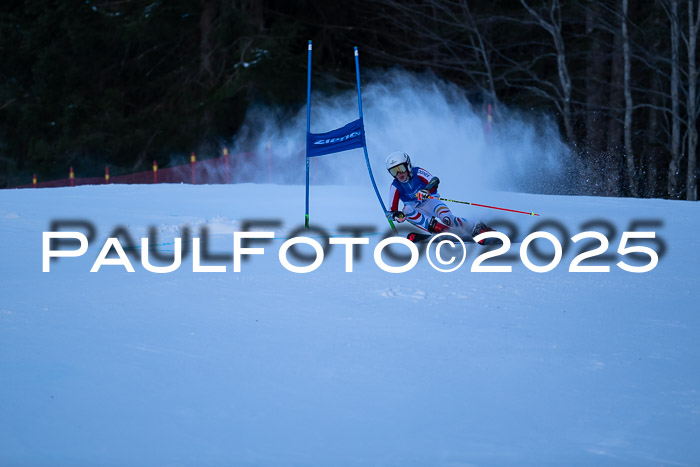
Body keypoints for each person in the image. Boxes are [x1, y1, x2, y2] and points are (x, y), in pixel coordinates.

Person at [385, 151, 496, 243]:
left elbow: (434, 180)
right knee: (407, 210)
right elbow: (391, 212)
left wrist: (426, 190)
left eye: (401, 168)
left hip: (431, 202)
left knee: (448, 219)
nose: (399, 173)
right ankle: (442, 230)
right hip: (417, 211)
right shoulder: (395, 186)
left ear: (408, 166)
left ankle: (477, 229)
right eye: (394, 171)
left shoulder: (418, 172)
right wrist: (397, 216)